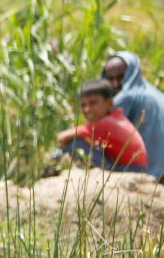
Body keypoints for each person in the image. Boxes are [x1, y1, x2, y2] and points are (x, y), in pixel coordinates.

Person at [50, 79, 149, 174]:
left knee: (74, 144)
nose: (87, 109)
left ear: (109, 103)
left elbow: (61, 137)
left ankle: (51, 167)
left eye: (93, 103)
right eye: (83, 105)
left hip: (127, 169)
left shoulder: (106, 123)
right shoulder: (116, 118)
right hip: (133, 168)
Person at [103, 51, 164, 179]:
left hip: (149, 173)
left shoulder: (128, 95)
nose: (115, 84)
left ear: (131, 72)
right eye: (110, 79)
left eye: (120, 77)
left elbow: (99, 128)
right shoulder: (154, 92)